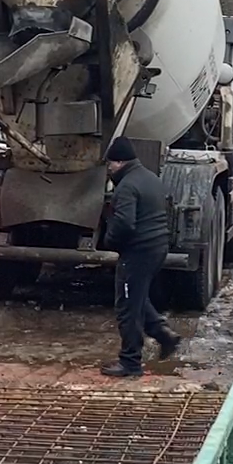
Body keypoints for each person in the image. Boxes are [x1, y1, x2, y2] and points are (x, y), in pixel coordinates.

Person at [100, 137, 181, 378]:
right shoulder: (150, 178)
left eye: (111, 164)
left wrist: (109, 241)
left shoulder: (126, 186)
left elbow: (124, 223)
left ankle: (130, 363)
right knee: (135, 297)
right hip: (156, 248)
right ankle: (163, 334)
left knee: (127, 306)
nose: (109, 169)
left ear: (120, 162)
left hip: (137, 252)